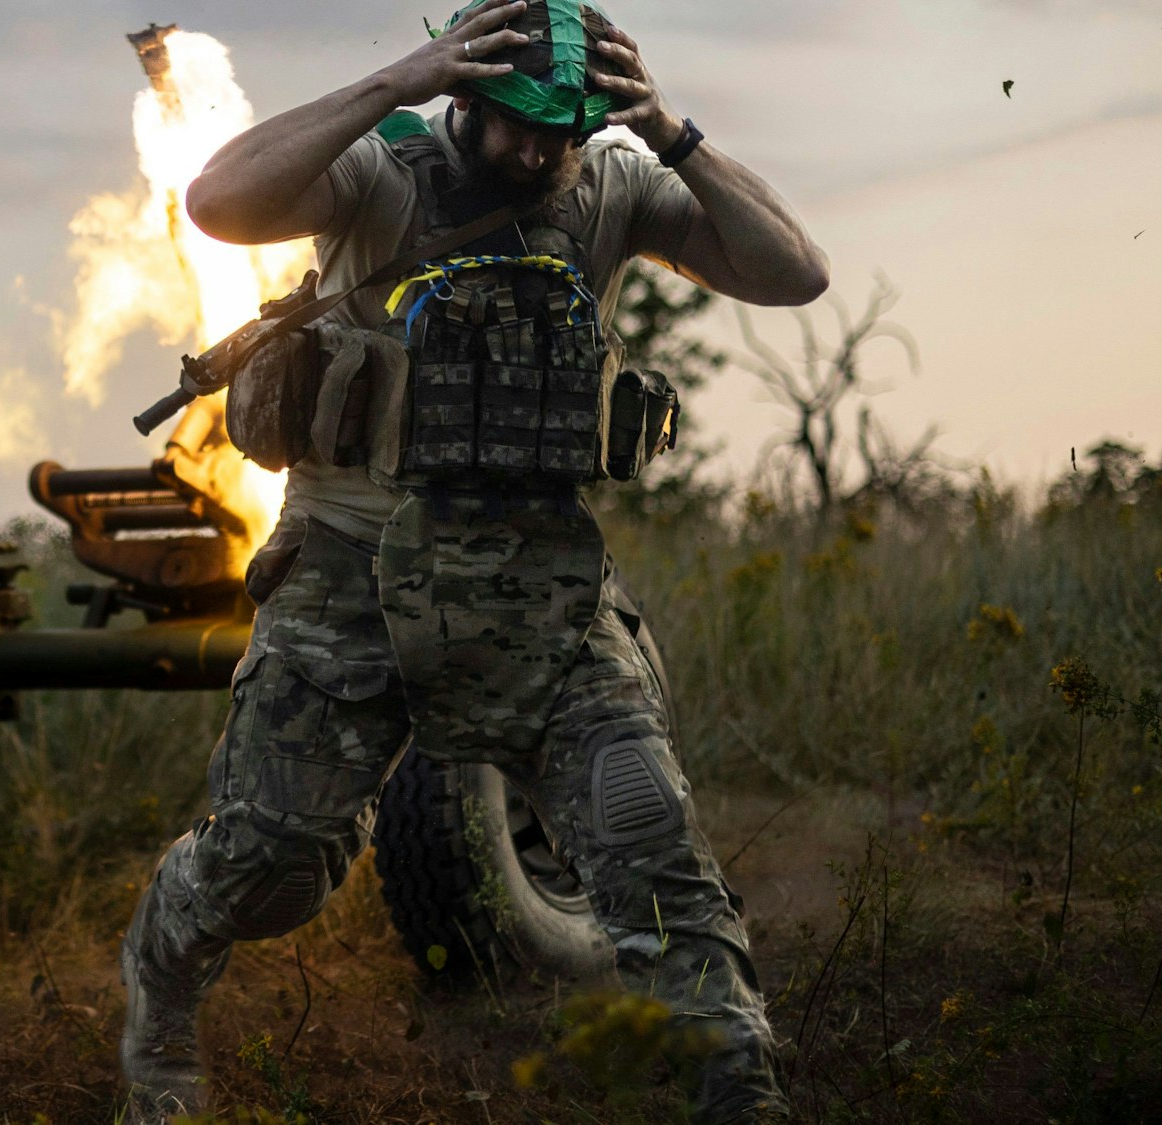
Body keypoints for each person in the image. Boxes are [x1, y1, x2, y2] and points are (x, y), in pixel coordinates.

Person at [120, 1, 829, 1121]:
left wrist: (668, 131)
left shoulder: (613, 186)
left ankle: (740, 1092)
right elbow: (217, 202)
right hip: (350, 571)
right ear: (464, 95)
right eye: (517, 126)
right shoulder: (379, 172)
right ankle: (159, 1000)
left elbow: (795, 274)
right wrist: (388, 83)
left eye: (562, 129)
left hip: (540, 589)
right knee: (270, 866)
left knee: (651, 851)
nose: (538, 153)